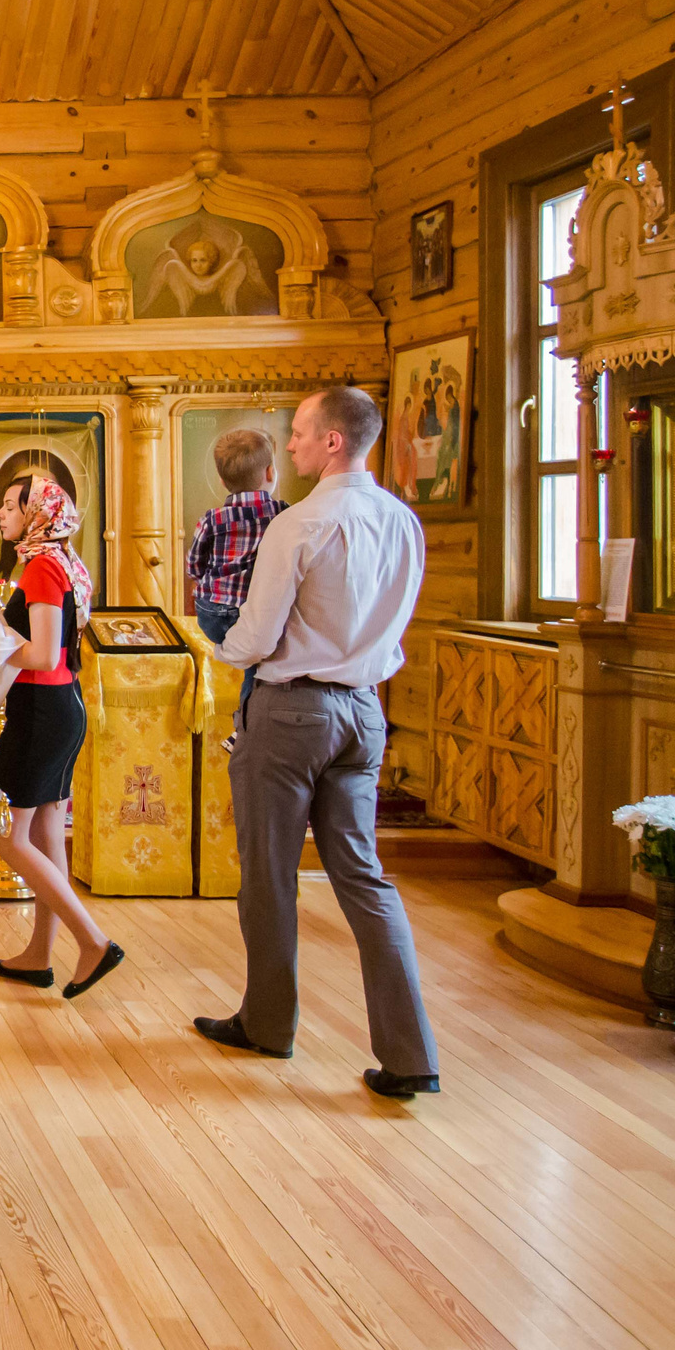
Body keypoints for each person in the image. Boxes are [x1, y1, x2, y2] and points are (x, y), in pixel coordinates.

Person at [195, 387, 438, 1099]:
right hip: (364, 711)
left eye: (301, 432)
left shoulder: (300, 525)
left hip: (293, 712)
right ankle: (411, 1055)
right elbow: (394, 624)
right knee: (364, 878)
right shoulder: (402, 521)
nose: (292, 444)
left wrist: (221, 646)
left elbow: (258, 635)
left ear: (334, 441)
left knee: (268, 872)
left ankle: (269, 1024)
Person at [0, 475, 124, 999]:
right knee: (49, 835)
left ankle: (93, 941)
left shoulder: (44, 567)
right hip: (60, 706)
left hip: (41, 711)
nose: (2, 514)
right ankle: (37, 956)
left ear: (38, 514)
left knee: (4, 833)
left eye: (12, 505)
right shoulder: (63, 561)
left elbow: (42, 655)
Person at [187, 427, 285, 746]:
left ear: (221, 480)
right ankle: (243, 727)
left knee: (255, 662)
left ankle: (243, 726)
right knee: (259, 663)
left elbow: (193, 566)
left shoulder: (213, 519)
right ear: (270, 472)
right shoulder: (283, 515)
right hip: (255, 610)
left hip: (213, 613)